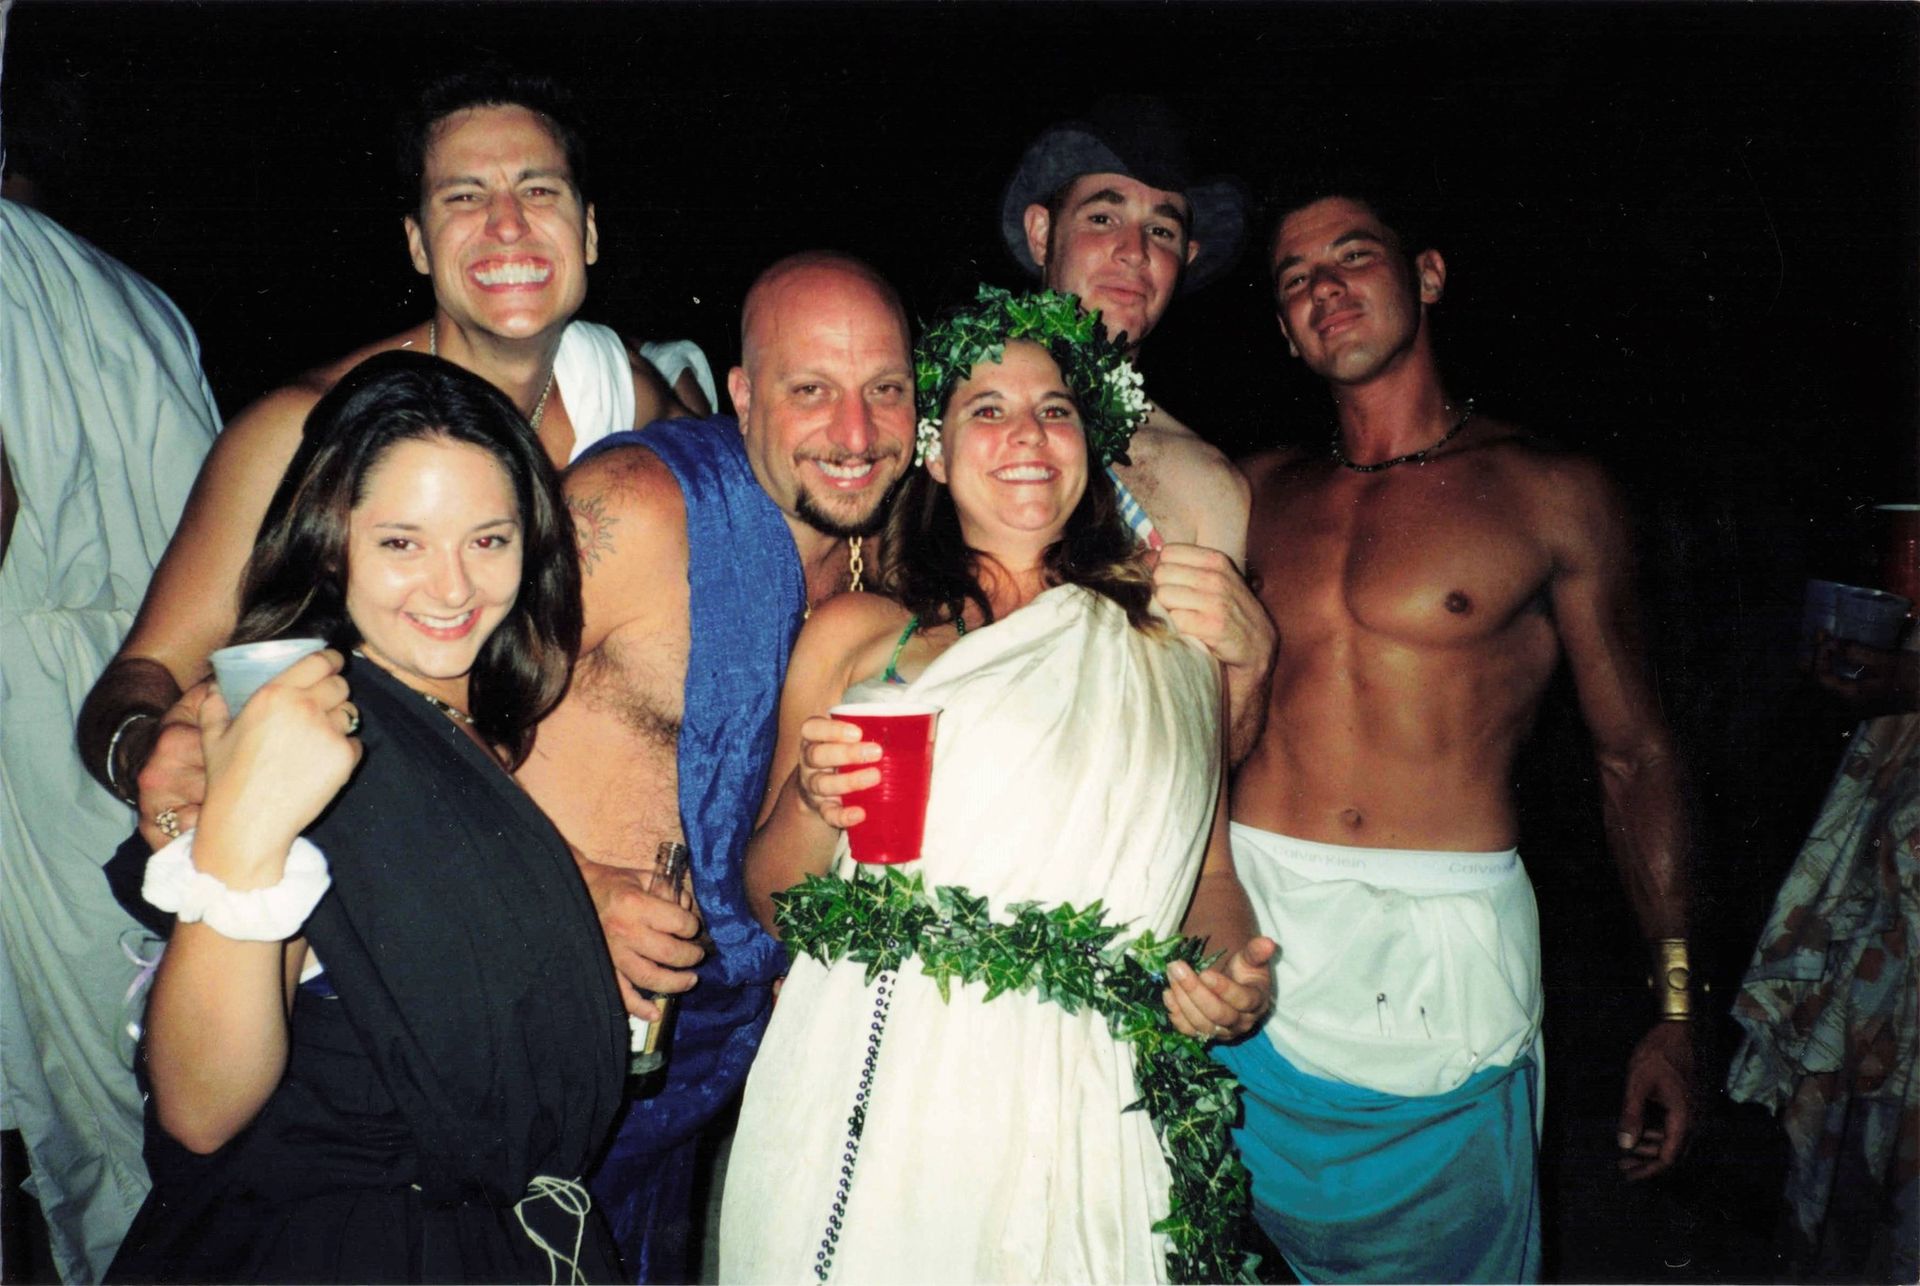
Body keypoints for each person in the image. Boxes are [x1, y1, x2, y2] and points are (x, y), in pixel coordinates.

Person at [719, 286, 1275, 1283]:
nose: (1027, 433)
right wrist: (810, 802)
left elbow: (1210, 879)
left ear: (1088, 446)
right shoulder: (863, 638)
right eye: (989, 409)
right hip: (880, 1080)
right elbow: (775, 902)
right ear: (934, 453)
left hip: (1094, 1094)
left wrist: (1226, 978)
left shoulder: (1172, 642)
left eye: (1054, 409)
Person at [1220, 175, 1695, 1283]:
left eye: (1353, 254)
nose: (1324, 288)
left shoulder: (1548, 491)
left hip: (1440, 963)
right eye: (1295, 278)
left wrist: (1676, 1007)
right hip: (1245, 941)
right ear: (1284, 330)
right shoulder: (1251, 491)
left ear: (1426, 275)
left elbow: (1635, 757)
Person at [76, 67, 694, 853]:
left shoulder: (620, 390)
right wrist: (146, 751)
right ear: (418, 244)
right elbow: (140, 676)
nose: (508, 225)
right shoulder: (301, 433)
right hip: (352, 872)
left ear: (590, 232)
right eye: (464, 197)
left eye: (539, 191)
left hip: (525, 847)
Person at [106, 351, 627, 1282]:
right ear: (328, 543)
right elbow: (199, 1110)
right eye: (401, 544)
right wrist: (244, 827)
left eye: (488, 540)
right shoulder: (298, 729)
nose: (452, 588)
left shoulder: (454, 718)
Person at [515, 251, 916, 1280]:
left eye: (885, 389)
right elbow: (428, 717)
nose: (856, 434)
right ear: (742, 395)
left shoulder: (892, 558)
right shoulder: (637, 510)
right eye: (811, 390)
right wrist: (576, 885)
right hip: (529, 1013)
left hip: (700, 1067)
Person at [0, 195, 220, 1283]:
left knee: (92, 1095)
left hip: (71, 734)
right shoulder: (130, 296)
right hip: (134, 713)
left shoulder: (51, 281)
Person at [1001, 96, 1274, 761]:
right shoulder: (936, 421)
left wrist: (1253, 667)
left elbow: (1211, 755)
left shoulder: (1206, 483)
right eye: (1103, 217)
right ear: (1042, 234)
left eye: (1162, 231)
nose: (1133, 251)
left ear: (1185, 259)